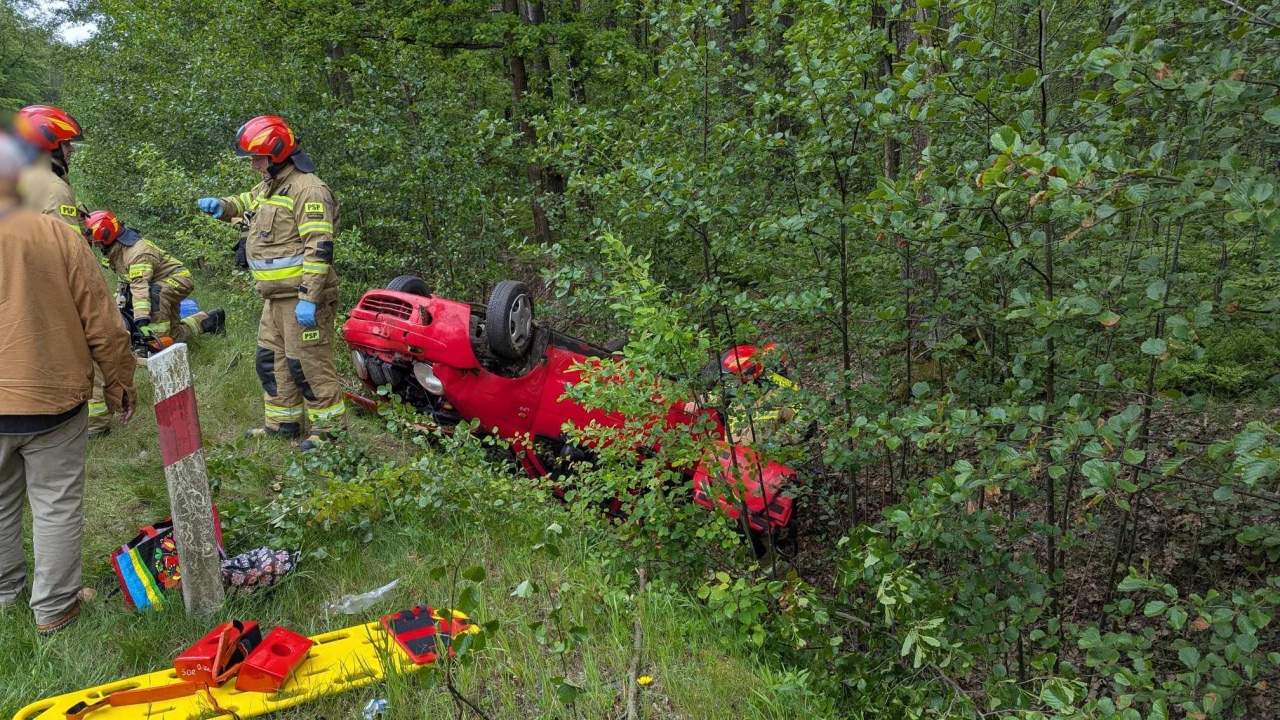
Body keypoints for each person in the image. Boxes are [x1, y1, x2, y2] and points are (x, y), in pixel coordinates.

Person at [0, 134, 136, 636]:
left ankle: (4, 594)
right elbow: (103, 321)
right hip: (51, 399)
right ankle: (55, 609)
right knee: (56, 501)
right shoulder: (57, 235)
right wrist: (119, 382)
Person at [196, 115, 343, 450]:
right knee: (272, 361)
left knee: (308, 365)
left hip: (302, 300)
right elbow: (245, 203)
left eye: (257, 158)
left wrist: (309, 297)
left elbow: (319, 248)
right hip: (275, 299)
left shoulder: (309, 190)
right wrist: (221, 206)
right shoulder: (271, 186)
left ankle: (331, 434)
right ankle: (283, 424)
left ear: (276, 154)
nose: (254, 166)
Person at [11, 105, 118, 437]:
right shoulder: (54, 190)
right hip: (48, 293)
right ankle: (93, 423)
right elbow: (70, 258)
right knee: (84, 349)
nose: (71, 150)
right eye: (66, 143)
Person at [85, 210, 227, 344]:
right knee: (174, 334)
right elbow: (128, 280)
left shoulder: (137, 253)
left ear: (105, 234)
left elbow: (140, 286)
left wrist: (142, 320)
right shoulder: (118, 250)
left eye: (97, 242)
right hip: (157, 281)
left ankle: (156, 345)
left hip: (177, 279)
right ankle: (211, 320)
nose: (97, 245)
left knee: (154, 297)